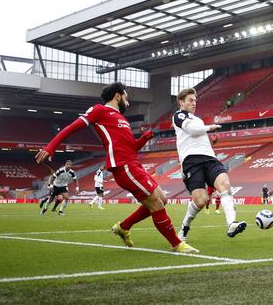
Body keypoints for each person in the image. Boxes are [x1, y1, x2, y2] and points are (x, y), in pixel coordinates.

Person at [35, 82, 197, 253]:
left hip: (134, 164)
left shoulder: (122, 119)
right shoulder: (99, 110)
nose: (128, 103)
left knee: (162, 199)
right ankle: (177, 244)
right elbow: (72, 127)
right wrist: (50, 147)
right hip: (123, 167)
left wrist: (144, 139)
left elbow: (131, 148)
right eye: (126, 98)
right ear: (118, 96)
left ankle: (124, 227)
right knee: (156, 203)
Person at [172, 88, 246, 242]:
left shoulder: (198, 119)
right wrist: (209, 128)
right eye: (190, 100)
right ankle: (185, 227)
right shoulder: (179, 115)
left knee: (224, 183)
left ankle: (231, 223)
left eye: (195, 100)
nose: (194, 103)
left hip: (209, 158)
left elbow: (198, 135)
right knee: (201, 200)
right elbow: (192, 130)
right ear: (181, 102)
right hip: (191, 161)